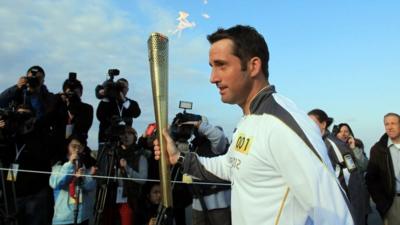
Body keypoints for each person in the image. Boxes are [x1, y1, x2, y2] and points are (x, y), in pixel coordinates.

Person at [154, 25, 354, 225]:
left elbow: (335, 213)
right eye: (211, 67)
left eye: (221, 65)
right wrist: (178, 158)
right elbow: (231, 166)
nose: (212, 78)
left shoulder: (282, 123)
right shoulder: (248, 121)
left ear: (253, 66)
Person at [308, 109, 370, 225]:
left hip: (346, 205)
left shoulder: (334, 145)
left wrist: (353, 211)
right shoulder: (319, 142)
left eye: (312, 122)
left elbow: (352, 177)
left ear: (323, 124)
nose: (308, 126)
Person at [0, 104, 53, 225]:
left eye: (25, 115)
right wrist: (1, 133)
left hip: (35, 195)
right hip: (13, 194)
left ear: (33, 118)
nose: (21, 118)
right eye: (19, 115)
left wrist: (27, 131)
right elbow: (4, 155)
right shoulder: (11, 134)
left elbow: (42, 155)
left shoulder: (41, 134)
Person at [178, 115, 231, 225]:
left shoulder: (215, 145)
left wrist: (199, 124)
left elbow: (219, 137)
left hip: (218, 203)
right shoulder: (194, 145)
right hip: (198, 202)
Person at [99, 126, 148, 225]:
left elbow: (143, 179)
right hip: (111, 198)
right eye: (123, 133)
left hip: (131, 200)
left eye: (130, 133)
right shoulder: (112, 154)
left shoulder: (140, 155)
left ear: (135, 137)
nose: (126, 136)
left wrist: (127, 169)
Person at [49, 135, 97, 225]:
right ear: (67, 147)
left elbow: (91, 186)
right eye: (74, 146)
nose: (77, 150)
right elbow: (55, 183)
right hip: (64, 218)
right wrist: (70, 164)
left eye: (80, 147)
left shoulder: (85, 165)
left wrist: (83, 178)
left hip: (83, 217)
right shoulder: (59, 165)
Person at [366, 113, 400, 225]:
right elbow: (371, 179)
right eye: (386, 124)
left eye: (393, 123)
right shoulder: (377, 149)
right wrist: (382, 203)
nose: (390, 127)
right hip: (393, 203)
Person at [0, 66, 56, 133]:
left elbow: (41, 115)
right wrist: (16, 87)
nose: (34, 80)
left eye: (38, 78)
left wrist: (34, 93)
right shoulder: (18, 92)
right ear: (26, 78)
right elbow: (1, 101)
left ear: (43, 81)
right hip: (15, 134)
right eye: (30, 78)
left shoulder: (48, 96)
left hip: (37, 135)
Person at [52, 73, 94, 163]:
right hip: (57, 148)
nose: (72, 95)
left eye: (76, 92)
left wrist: (74, 107)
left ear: (81, 93)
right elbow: (48, 120)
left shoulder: (87, 108)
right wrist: (56, 101)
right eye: (70, 92)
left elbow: (83, 127)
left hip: (77, 149)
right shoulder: (58, 106)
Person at [96, 78, 141, 145]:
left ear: (127, 90)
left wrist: (124, 101)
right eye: (119, 87)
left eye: (124, 87)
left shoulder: (132, 103)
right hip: (106, 141)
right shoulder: (107, 102)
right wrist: (106, 94)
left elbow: (137, 113)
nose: (121, 89)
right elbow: (100, 116)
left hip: (124, 141)